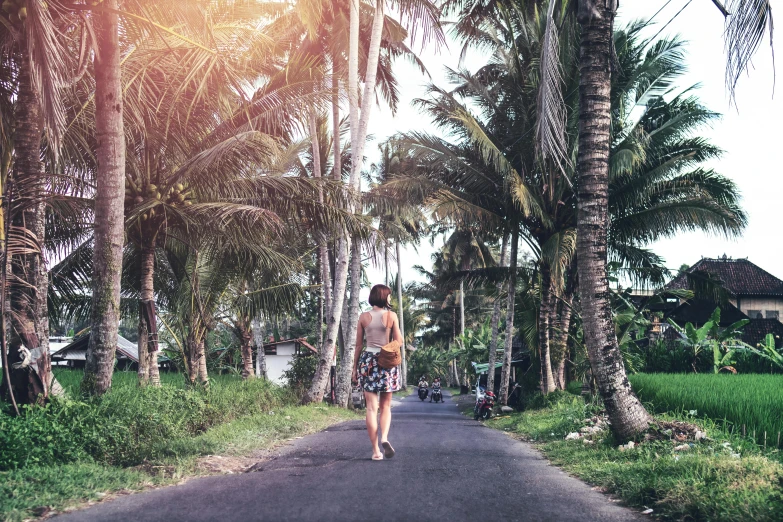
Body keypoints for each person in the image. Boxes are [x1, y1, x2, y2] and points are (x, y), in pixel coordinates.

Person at [352, 284, 403, 461]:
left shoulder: (363, 317)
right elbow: (399, 341)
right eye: (389, 296)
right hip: (385, 361)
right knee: (385, 406)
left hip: (367, 362)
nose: (390, 299)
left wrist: (354, 368)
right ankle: (384, 438)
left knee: (371, 409)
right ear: (384, 297)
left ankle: (375, 451)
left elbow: (359, 345)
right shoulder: (391, 316)